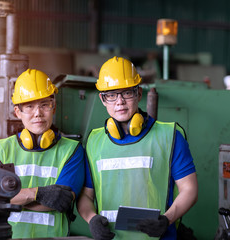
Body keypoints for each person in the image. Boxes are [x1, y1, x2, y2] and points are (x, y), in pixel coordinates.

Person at [77, 56, 198, 240]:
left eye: (127, 93)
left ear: (139, 93)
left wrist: (166, 220)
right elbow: (86, 196)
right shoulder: (94, 141)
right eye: (111, 94)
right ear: (102, 99)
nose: (119, 101)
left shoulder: (170, 136)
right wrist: (91, 219)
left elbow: (189, 189)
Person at [0, 69, 85, 238]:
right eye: (29, 106)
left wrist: (12, 199)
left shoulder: (72, 151)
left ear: (53, 108)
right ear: (18, 112)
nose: (38, 113)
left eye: (44, 104)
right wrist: (37, 193)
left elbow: (61, 200)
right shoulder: (0, 149)